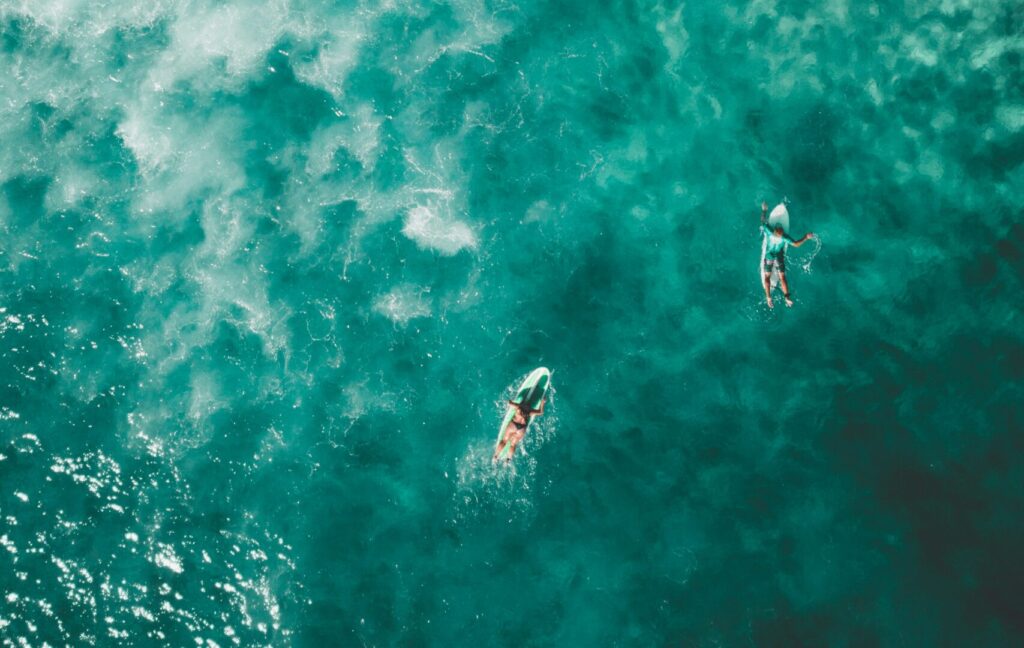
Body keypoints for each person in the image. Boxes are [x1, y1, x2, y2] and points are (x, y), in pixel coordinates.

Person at [760, 201, 814, 308]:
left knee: (767, 277)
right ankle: (787, 298)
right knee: (782, 277)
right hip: (779, 257)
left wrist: (764, 210)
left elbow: (762, 222)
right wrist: (806, 237)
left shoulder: (769, 232)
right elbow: (796, 244)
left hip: (769, 256)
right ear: (781, 233)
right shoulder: (784, 237)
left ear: (775, 230)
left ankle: (768, 297)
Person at [493, 398, 545, 462]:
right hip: (521, 429)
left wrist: (511, 400)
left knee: (504, 440)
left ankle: (496, 456)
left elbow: (509, 403)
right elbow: (541, 412)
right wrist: (542, 402)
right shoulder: (530, 412)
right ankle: (508, 460)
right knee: (513, 444)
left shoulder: (518, 407)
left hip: (513, 425)